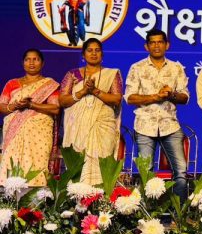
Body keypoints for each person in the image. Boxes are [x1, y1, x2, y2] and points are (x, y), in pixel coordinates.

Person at [125, 29, 190, 198]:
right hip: (145, 125)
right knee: (146, 173)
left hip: (170, 124)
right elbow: (130, 98)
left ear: (167, 45)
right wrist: (156, 96)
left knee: (181, 170)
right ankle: (147, 215)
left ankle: (179, 215)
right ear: (146, 46)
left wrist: (171, 95)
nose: (156, 45)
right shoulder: (137, 68)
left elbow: (185, 97)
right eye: (152, 42)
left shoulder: (176, 68)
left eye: (160, 42)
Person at [60, 38, 123, 185]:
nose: (93, 53)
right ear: (83, 55)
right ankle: (77, 203)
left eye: (97, 50)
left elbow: (116, 99)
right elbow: (62, 101)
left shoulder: (111, 74)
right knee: (78, 166)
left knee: (101, 165)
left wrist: (94, 90)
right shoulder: (72, 75)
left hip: (102, 127)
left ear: (102, 54)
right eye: (89, 50)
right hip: (77, 127)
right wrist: (82, 91)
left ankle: (101, 201)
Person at [0, 49, 60, 186]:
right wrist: (15, 106)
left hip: (39, 135)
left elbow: (55, 108)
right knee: (11, 165)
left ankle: (37, 202)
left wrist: (31, 105)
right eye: (28, 59)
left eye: (36, 59)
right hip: (14, 133)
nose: (31, 62)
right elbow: (2, 106)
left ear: (42, 63)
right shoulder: (11, 84)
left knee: (37, 166)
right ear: (23, 63)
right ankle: (9, 201)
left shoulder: (49, 85)